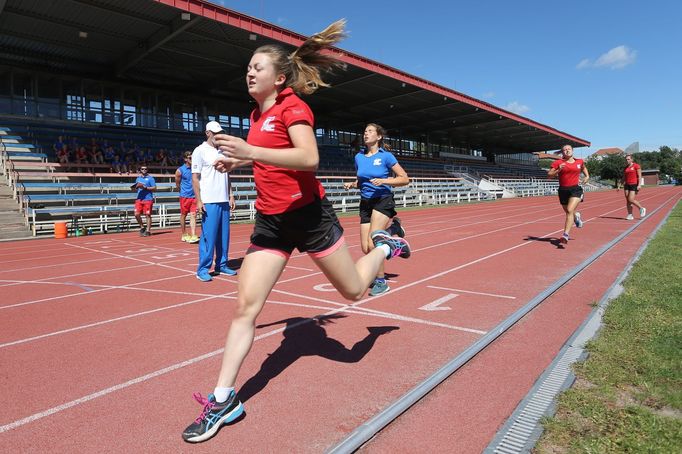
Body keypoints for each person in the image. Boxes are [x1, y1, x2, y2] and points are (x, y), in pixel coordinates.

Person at [181, 19, 410, 443]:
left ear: (280, 77)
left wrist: (249, 150)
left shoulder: (293, 107)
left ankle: (384, 246)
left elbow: (307, 158)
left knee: (354, 292)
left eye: (257, 67)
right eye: (247, 67)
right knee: (245, 308)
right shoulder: (256, 113)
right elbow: (273, 156)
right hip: (271, 223)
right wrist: (243, 162)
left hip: (309, 217)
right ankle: (223, 399)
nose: (249, 72)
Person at [343, 123, 408, 296]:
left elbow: (404, 179)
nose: (366, 134)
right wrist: (353, 184)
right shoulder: (359, 157)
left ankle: (381, 282)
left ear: (378, 137)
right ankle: (394, 229)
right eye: (364, 131)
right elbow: (362, 180)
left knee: (374, 243)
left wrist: (385, 181)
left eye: (370, 131)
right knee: (365, 248)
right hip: (366, 202)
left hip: (382, 200)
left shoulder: (386, 156)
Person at [192, 121, 237, 282]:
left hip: (223, 199)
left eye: (220, 133)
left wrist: (231, 194)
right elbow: (195, 178)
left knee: (224, 236)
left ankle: (222, 264)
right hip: (209, 200)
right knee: (208, 237)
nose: (218, 136)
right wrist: (199, 201)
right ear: (207, 133)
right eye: (215, 133)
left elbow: (227, 174)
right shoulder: (200, 151)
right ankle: (203, 269)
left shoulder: (223, 151)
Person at [547, 144, 589, 245]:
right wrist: (558, 170)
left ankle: (565, 234)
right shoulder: (558, 162)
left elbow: (583, 168)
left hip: (575, 189)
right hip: (563, 190)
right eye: (565, 150)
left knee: (569, 210)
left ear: (572, 151)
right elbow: (549, 175)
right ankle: (576, 217)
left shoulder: (579, 161)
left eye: (569, 149)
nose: (567, 151)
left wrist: (587, 176)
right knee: (569, 211)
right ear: (562, 152)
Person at [175, 151, 199, 243]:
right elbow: (177, 184)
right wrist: (183, 191)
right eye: (190, 158)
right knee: (184, 215)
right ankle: (184, 234)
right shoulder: (180, 170)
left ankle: (193, 235)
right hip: (184, 196)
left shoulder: (196, 168)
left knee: (193, 215)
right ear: (185, 159)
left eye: (193, 158)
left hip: (194, 196)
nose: (192, 160)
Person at [131, 164, 156, 236]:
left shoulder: (151, 178)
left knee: (147, 215)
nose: (144, 170)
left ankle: (148, 230)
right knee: (136, 214)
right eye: (142, 169)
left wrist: (145, 187)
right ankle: (142, 227)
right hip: (139, 198)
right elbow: (136, 188)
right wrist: (133, 188)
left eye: (145, 169)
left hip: (148, 199)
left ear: (147, 170)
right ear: (140, 170)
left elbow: (154, 188)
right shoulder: (138, 178)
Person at [623, 154, 646, 220]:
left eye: (628, 159)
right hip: (626, 185)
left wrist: (639, 185)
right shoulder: (626, 168)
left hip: (633, 184)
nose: (627, 160)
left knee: (631, 199)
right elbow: (624, 177)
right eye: (626, 159)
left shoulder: (636, 166)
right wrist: (619, 185)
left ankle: (641, 208)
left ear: (632, 159)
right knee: (628, 201)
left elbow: (639, 176)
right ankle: (630, 215)